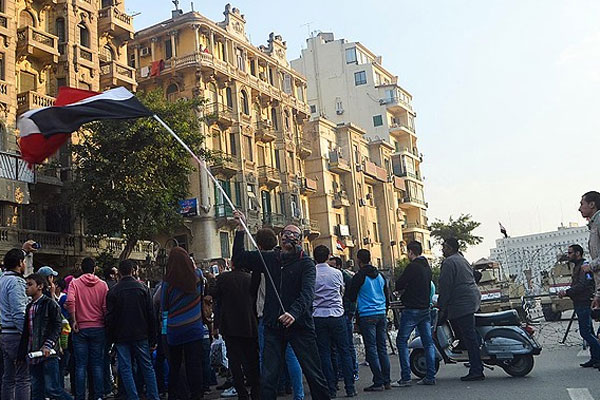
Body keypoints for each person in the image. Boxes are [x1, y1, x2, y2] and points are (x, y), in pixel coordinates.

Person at [232, 210, 330, 400]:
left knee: (314, 374)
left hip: (300, 326)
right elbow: (239, 259)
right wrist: (240, 230)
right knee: (268, 378)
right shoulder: (270, 259)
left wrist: (294, 313)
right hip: (273, 326)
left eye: (293, 234)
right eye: (285, 233)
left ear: (300, 240)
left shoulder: (306, 264)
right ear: (280, 237)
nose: (288, 236)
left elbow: (307, 293)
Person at [252, 228, 305, 400]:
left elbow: (253, 291)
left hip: (267, 316)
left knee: (268, 359)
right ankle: (298, 394)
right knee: (291, 356)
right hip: (288, 313)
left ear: (259, 245)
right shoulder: (286, 261)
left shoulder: (261, 263)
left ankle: (273, 391)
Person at [106, 259, 159, 400]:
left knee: (126, 368)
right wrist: (153, 337)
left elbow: (110, 319)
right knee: (147, 367)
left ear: (119, 273)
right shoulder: (143, 289)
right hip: (141, 333)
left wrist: (110, 339)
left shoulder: (113, 292)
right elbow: (151, 314)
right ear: (132, 271)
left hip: (121, 336)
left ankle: (133, 396)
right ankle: (153, 396)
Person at [211, 258, 260, 400]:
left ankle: (241, 393)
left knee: (235, 362)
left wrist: (214, 278)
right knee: (252, 360)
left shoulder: (224, 278)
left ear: (231, 265)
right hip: (249, 325)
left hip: (230, 326)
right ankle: (256, 391)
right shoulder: (250, 278)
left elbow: (213, 293)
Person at [18, 273, 73, 400]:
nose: (27, 287)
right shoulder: (30, 306)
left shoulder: (50, 304)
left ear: (40, 286)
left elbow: (57, 326)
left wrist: (48, 344)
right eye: (26, 284)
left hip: (48, 353)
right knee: (36, 390)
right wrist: (21, 353)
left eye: (30, 284)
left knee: (52, 389)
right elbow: (27, 332)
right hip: (34, 353)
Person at [160, 247, 204, 400]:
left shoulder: (167, 283)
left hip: (174, 330)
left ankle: (174, 395)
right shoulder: (198, 276)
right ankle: (197, 395)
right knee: (194, 365)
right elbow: (202, 295)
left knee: (175, 366)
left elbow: (163, 308)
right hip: (195, 328)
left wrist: (164, 331)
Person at [312, 245, 356, 398]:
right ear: (328, 256)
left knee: (324, 353)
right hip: (337, 314)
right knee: (344, 351)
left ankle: (331, 388)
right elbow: (341, 291)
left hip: (318, 315)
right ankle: (350, 387)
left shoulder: (312, 273)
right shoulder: (337, 273)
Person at [438, 238, 483, 381]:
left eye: (444, 247)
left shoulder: (449, 262)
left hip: (462, 303)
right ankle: (467, 350)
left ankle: (477, 369)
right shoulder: (461, 259)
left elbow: (445, 286)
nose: (443, 249)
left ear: (450, 248)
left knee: (469, 337)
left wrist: (441, 305)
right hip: (471, 299)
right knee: (466, 332)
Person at [346, 249, 391, 392]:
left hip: (367, 315)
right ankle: (387, 380)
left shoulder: (359, 277)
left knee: (371, 348)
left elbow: (351, 296)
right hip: (381, 313)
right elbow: (387, 295)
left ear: (359, 260)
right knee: (382, 348)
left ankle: (378, 381)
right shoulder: (380, 276)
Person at [65, 257, 109, 400]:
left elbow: (70, 301)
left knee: (80, 365)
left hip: (80, 328)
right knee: (97, 364)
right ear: (95, 268)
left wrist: (74, 320)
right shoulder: (103, 285)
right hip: (98, 327)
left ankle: (80, 396)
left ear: (82, 269)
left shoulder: (75, 283)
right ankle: (98, 395)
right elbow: (105, 306)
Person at [393, 241, 436, 387]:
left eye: (407, 252)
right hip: (425, 309)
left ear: (411, 252)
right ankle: (430, 376)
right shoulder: (427, 267)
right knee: (428, 343)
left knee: (401, 341)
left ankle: (405, 378)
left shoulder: (413, 267)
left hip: (412, 309)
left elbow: (399, 283)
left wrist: (404, 291)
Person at [558, 244, 600, 368]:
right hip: (579, 301)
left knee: (585, 333)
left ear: (578, 253)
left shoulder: (584, 266)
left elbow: (583, 285)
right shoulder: (577, 266)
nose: (568, 255)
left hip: (584, 302)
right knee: (590, 332)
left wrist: (567, 292)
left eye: (570, 253)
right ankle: (595, 358)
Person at [0, 248, 31, 400]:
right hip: (15, 335)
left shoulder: (2, 279)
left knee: (8, 377)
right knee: (22, 378)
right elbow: (19, 313)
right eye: (24, 261)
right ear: (20, 263)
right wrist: (27, 335)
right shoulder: (16, 282)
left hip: (4, 333)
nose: (25, 264)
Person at [327, 256, 359, 381]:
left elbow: (352, 297)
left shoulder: (346, 278)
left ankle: (352, 371)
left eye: (332, 266)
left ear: (339, 266)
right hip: (338, 314)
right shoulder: (335, 276)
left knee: (347, 344)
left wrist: (350, 312)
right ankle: (342, 371)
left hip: (345, 313)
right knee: (339, 345)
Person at [580, 191, 600, 309]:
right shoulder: (594, 225)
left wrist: (591, 266)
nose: (579, 208)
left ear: (592, 204)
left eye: (582, 204)